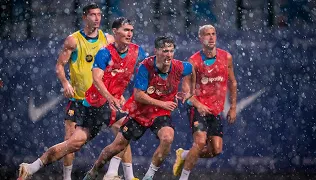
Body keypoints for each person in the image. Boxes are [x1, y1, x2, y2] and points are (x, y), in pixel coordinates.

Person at [18, 16, 145, 180]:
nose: (129, 34)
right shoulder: (104, 53)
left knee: (79, 142)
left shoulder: (137, 50)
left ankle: (31, 167)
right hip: (95, 104)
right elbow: (97, 79)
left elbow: (149, 66)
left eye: (131, 31)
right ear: (115, 31)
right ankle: (106, 173)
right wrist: (111, 97)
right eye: (126, 30)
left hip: (108, 104)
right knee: (121, 130)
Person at [83, 36, 193, 180]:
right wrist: (163, 103)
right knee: (117, 146)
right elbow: (139, 95)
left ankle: (149, 176)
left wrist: (189, 90)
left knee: (167, 138)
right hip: (140, 112)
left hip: (160, 113)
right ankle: (94, 170)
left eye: (171, 51)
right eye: (165, 51)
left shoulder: (180, 66)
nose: (169, 55)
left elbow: (192, 68)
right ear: (156, 51)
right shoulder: (146, 66)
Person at [54, 3, 114, 180]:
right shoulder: (73, 40)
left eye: (99, 14)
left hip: (102, 100)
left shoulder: (107, 40)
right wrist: (65, 83)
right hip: (79, 100)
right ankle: (67, 178)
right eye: (92, 15)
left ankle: (121, 174)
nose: (97, 18)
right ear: (84, 17)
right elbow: (59, 65)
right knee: (69, 140)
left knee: (123, 132)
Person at [172, 24, 237, 180]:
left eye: (213, 33)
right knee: (200, 142)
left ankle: (184, 154)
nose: (211, 37)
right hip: (198, 108)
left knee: (216, 150)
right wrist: (198, 105)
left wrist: (233, 106)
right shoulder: (193, 61)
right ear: (200, 38)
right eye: (207, 34)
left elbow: (232, 82)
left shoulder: (226, 57)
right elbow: (186, 90)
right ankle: (184, 178)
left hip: (215, 111)